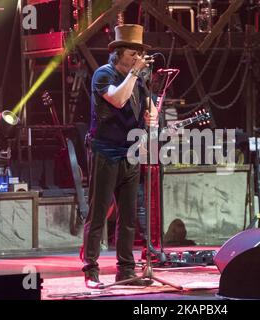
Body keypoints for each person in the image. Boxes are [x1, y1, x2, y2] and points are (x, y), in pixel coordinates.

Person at [81, 24, 158, 289]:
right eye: (133, 52)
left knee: (128, 216)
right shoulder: (104, 74)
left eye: (140, 52)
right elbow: (118, 100)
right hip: (105, 152)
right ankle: (91, 269)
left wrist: (153, 114)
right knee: (99, 212)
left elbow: (152, 108)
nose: (138, 56)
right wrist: (135, 74)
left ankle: (125, 270)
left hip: (130, 153)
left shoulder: (140, 81)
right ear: (118, 53)